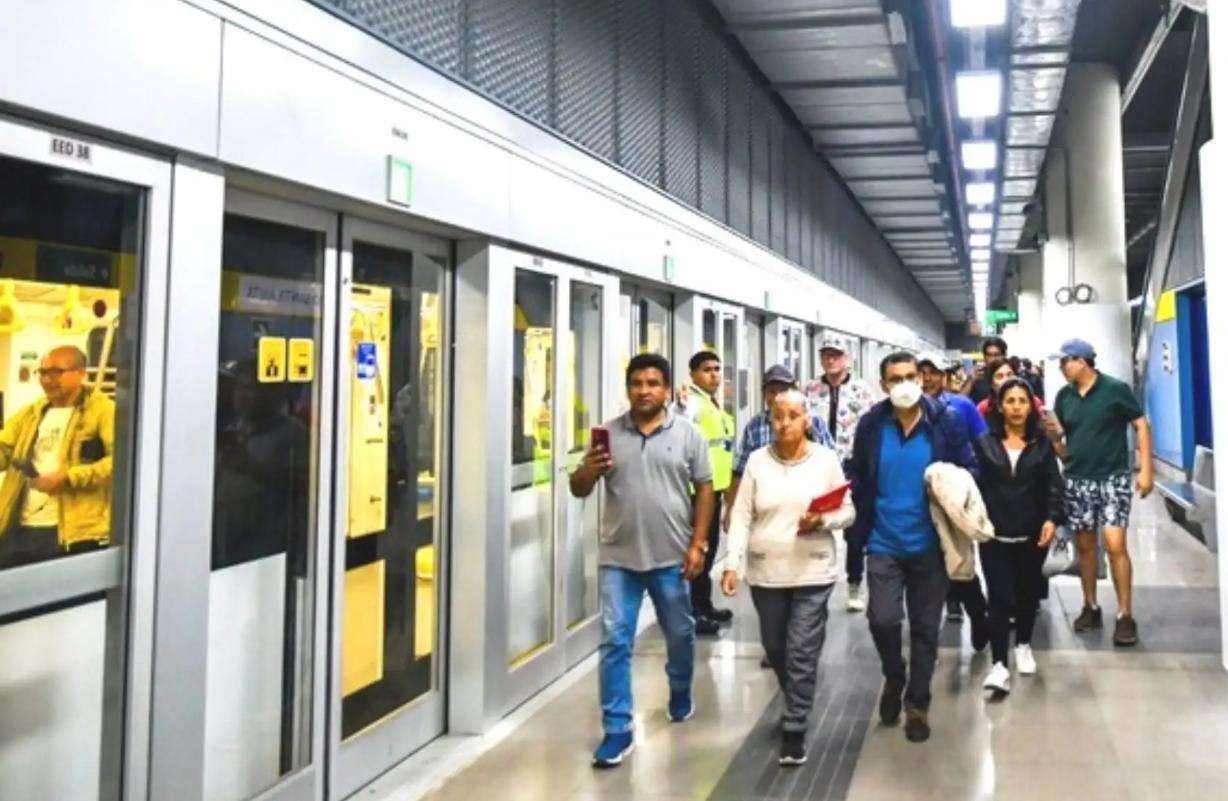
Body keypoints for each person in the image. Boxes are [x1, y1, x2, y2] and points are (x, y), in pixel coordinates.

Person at [571, 353, 715, 768]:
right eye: (636, 384)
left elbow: (705, 488)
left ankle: (680, 689)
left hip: (671, 556)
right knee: (615, 641)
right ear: (628, 389)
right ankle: (617, 728)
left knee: (679, 634)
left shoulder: (688, 434)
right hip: (619, 557)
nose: (644, 391)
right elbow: (579, 488)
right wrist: (588, 470)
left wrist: (698, 543)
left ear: (667, 389)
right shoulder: (608, 435)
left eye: (653, 383)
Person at [847, 352, 978, 743]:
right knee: (882, 619)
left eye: (910, 376)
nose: (904, 383)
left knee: (925, 629)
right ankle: (894, 674)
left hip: (930, 544)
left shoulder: (945, 422)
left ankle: (918, 704)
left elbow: (970, 468)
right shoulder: (872, 424)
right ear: (883, 384)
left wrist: (952, 482)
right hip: (883, 541)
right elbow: (858, 472)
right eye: (895, 378)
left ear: (921, 379)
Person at [721, 389, 854, 766]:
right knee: (776, 647)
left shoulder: (825, 460)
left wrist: (821, 520)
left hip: (813, 568)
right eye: (778, 416)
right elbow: (741, 515)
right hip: (767, 570)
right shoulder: (757, 462)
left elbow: (848, 512)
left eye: (793, 416)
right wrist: (732, 563)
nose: (785, 423)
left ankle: (795, 725)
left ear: (807, 420)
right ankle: (796, 692)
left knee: (801, 649)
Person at [725, 364, 836, 669]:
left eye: (783, 389)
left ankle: (802, 651)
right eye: (771, 390)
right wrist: (731, 508)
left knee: (802, 640)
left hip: (806, 535)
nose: (776, 395)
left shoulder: (814, 425)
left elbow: (831, 469)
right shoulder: (755, 428)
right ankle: (784, 650)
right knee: (774, 634)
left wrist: (823, 514)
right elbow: (739, 470)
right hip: (767, 528)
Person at [1046, 339, 1153, 647]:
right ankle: (1090, 606)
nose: (1061, 367)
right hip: (1078, 479)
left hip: (1112, 478)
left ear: (1082, 361)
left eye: (1065, 361)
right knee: (1085, 545)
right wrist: (1055, 440)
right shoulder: (1064, 396)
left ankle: (1125, 614)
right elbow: (1062, 442)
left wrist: (1146, 469)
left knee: (1115, 544)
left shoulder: (1114, 389)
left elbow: (1141, 425)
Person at [974, 378, 1064, 694]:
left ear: (1031, 407)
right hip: (993, 535)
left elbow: (1054, 485)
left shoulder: (1041, 444)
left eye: (1022, 401)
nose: (1016, 407)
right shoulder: (984, 443)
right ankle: (999, 663)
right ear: (999, 406)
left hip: (1032, 534)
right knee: (998, 598)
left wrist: (1052, 519)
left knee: (1027, 595)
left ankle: (1024, 644)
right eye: (1010, 401)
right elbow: (974, 483)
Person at [0, 345, 114, 569]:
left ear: (80, 373)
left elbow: (120, 463)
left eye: (55, 372)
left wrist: (67, 477)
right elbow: (4, 449)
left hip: (71, 533)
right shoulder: (31, 413)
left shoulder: (103, 411)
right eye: (42, 372)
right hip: (20, 526)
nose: (47, 380)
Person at [917, 353, 989, 643]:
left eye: (933, 372)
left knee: (959, 563)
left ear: (944, 377)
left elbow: (977, 453)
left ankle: (976, 611)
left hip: (949, 501)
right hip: (916, 503)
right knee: (928, 565)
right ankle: (942, 612)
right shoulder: (896, 416)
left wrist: (960, 486)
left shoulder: (957, 410)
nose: (927, 379)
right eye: (920, 373)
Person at [804, 338, 876, 612]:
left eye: (836, 355)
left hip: (852, 465)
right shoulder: (811, 389)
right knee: (814, 521)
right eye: (826, 355)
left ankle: (855, 583)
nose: (831, 360)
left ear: (847, 359)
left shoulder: (861, 390)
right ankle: (810, 582)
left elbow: (871, 427)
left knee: (853, 530)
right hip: (817, 465)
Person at [677, 350, 736, 634]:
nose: (714, 375)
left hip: (715, 489)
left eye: (717, 369)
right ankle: (692, 613)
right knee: (697, 550)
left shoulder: (712, 404)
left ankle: (703, 604)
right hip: (697, 492)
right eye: (707, 370)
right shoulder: (691, 403)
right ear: (693, 374)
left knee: (708, 551)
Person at [975, 358, 1043, 419]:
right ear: (992, 384)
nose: (1006, 380)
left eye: (1009, 375)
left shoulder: (1034, 402)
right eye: (1000, 376)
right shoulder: (983, 408)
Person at [964, 336, 1008, 404]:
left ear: (1004, 356)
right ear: (984, 357)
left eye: (996, 355)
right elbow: (959, 402)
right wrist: (971, 380)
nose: (993, 359)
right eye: (989, 355)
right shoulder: (977, 376)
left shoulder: (1010, 376)